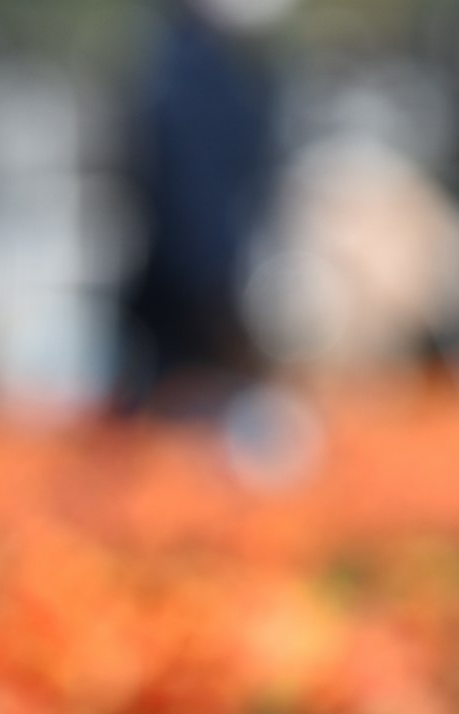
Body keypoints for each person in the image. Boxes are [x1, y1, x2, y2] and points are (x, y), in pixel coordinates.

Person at [118, 0, 281, 411]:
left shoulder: (204, 63)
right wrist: (217, 300)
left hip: (198, 296)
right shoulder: (190, 72)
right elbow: (194, 199)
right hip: (193, 307)